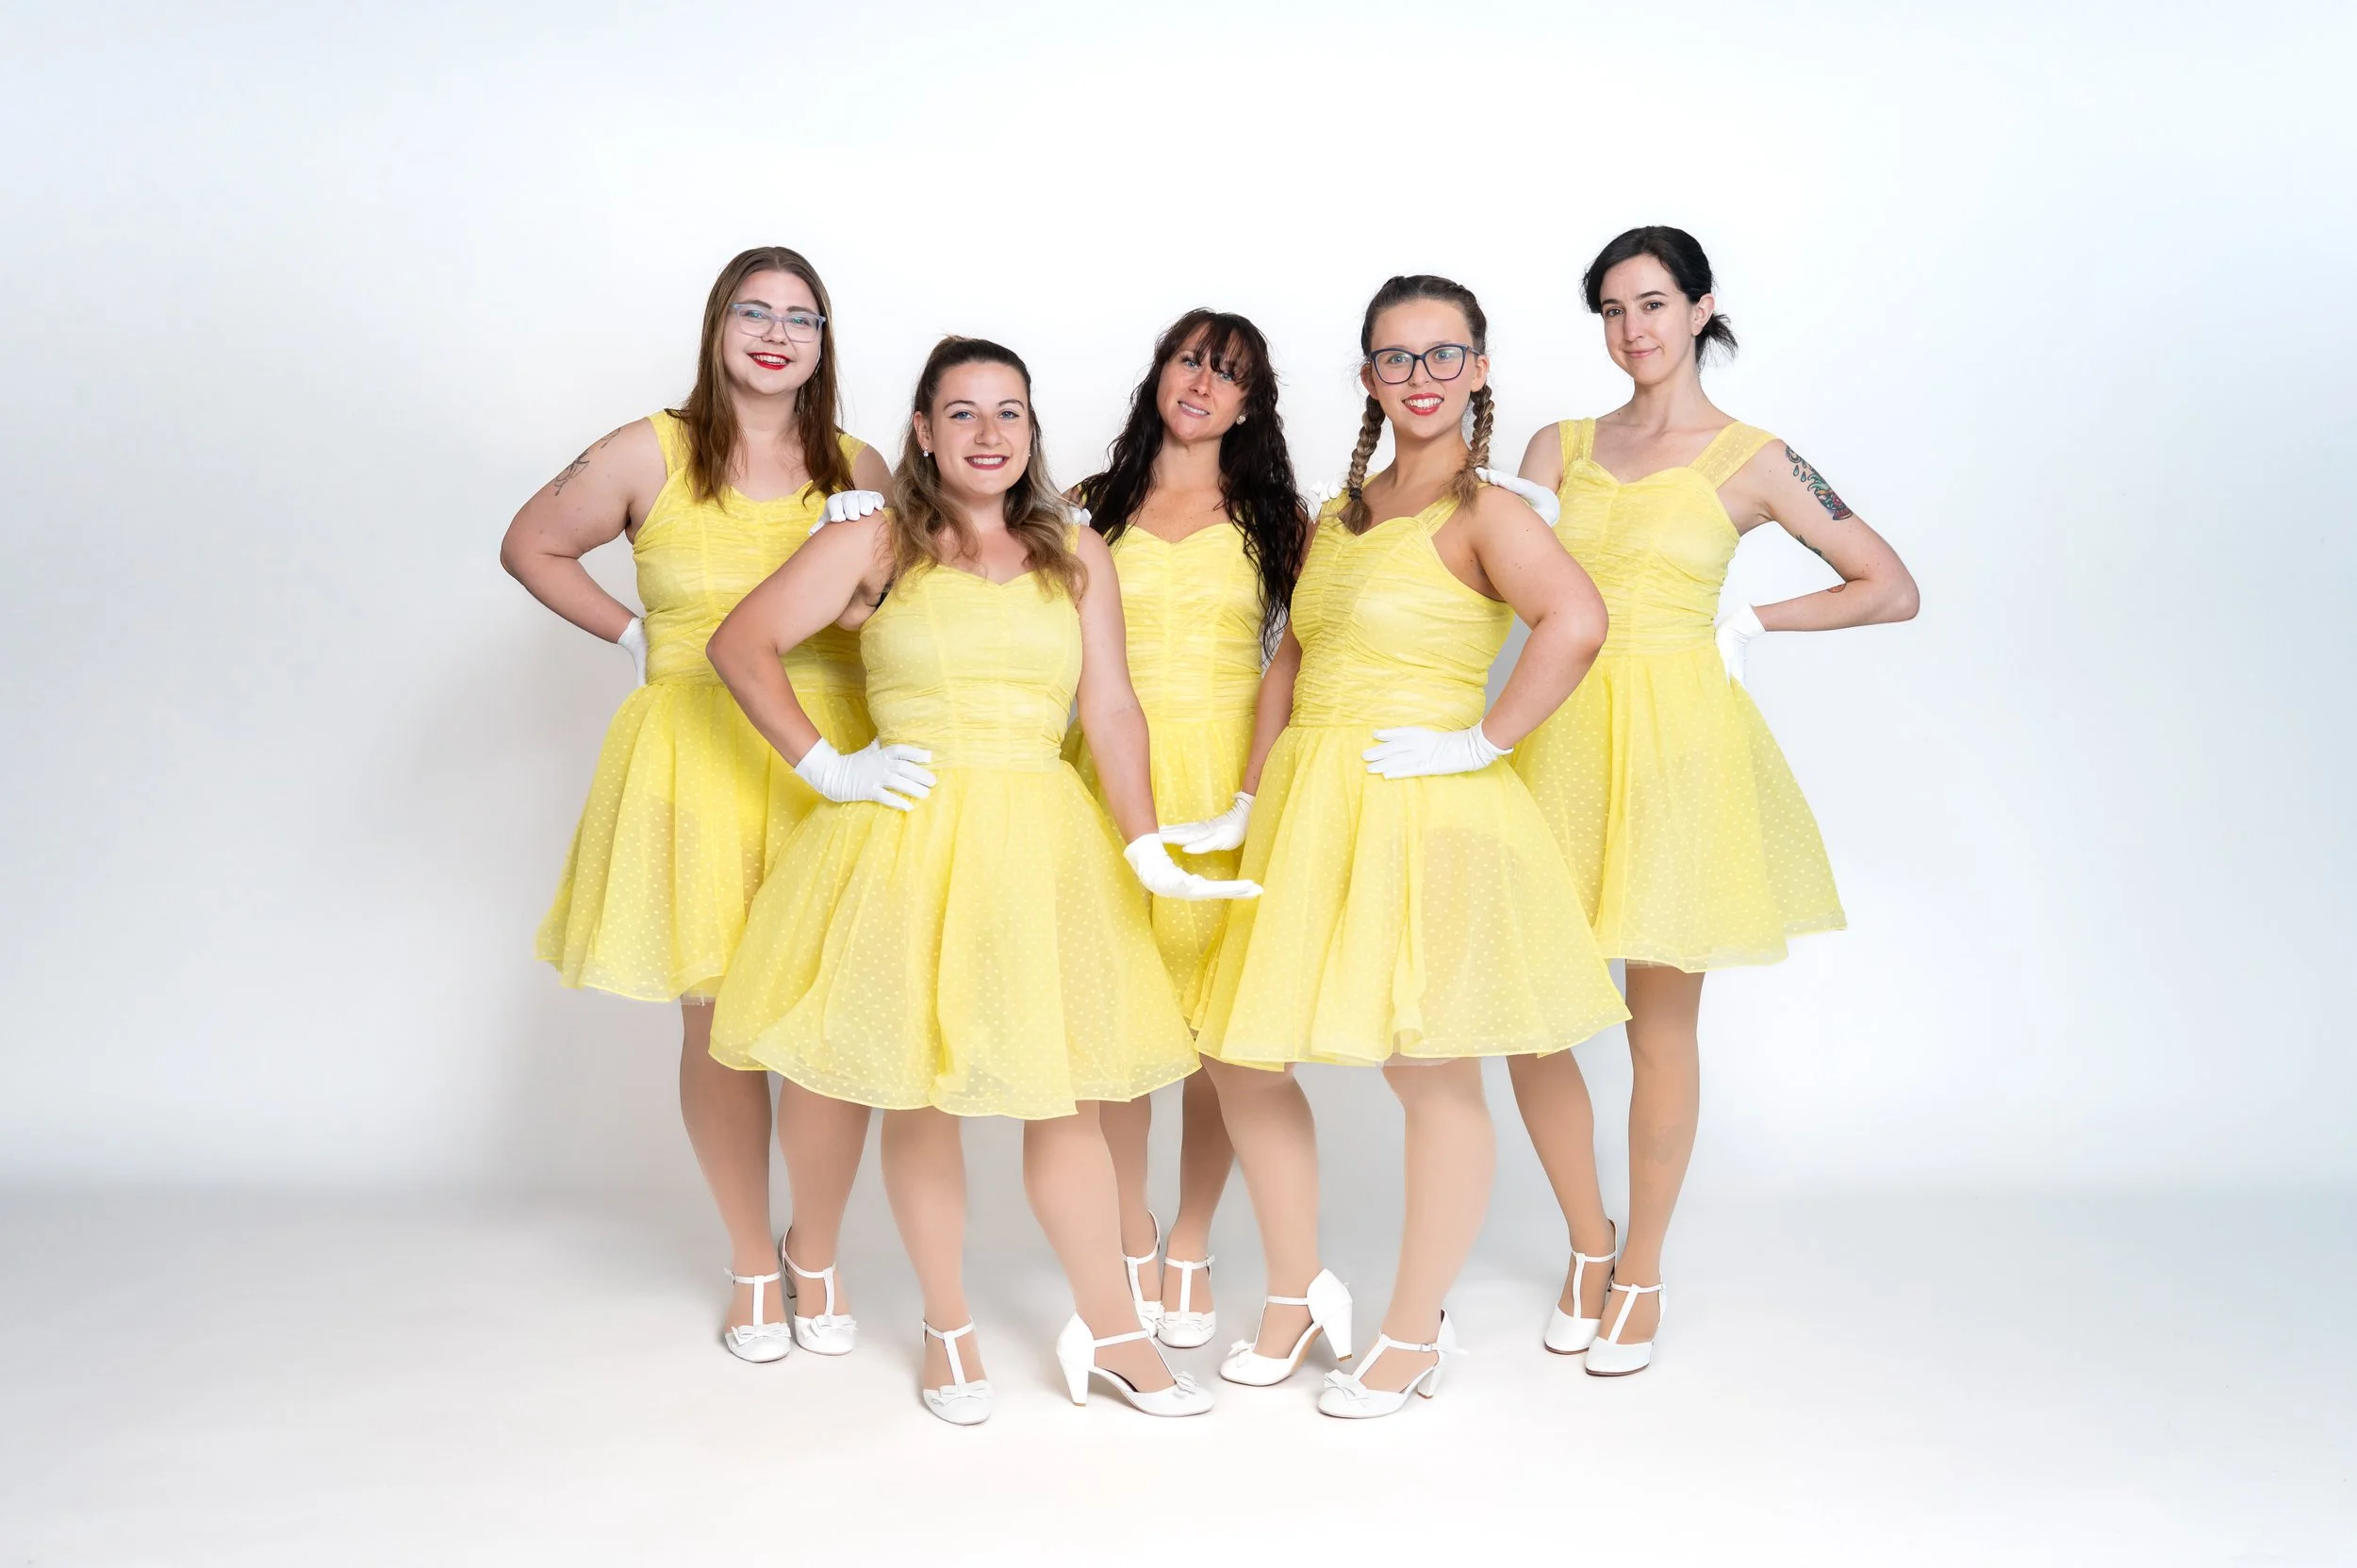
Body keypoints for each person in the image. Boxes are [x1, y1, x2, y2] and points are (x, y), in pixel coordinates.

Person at [706, 336, 1256, 1424]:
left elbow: (1109, 708)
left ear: (1032, 431)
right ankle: (947, 1326)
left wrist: (1145, 843)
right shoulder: (875, 541)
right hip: (910, 840)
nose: (990, 433)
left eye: (1010, 412)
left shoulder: (1077, 552)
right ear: (921, 430)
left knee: (1065, 1104)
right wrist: (829, 764)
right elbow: (741, 643)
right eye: (962, 413)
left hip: (1041, 843)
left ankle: (1116, 1337)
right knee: (924, 1093)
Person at [1170, 275, 1627, 1419]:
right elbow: (1292, 658)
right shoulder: (1345, 510)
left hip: (1421, 805)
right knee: (1241, 1047)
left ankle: (1413, 1330)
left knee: (1425, 1066)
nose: (1419, 376)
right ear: (1368, 375)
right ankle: (1293, 1291)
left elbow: (1577, 621)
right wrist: (1246, 793)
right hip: (1314, 799)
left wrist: (1483, 741)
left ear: (1478, 368)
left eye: (1442, 354)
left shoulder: (1491, 510)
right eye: (1394, 357)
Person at [1505, 225, 1920, 1375]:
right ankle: (1588, 1242)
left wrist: (1752, 621)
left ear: (1699, 308)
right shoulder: (1556, 444)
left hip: (1678, 740)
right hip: (1554, 731)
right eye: (1610, 309)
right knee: (1525, 1003)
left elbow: (1889, 586)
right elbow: (1495, 577)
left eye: (1651, 303)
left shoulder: (1757, 457)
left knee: (1659, 1019)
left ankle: (1640, 1269)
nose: (1631, 328)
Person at [501, 245, 891, 1363]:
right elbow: (531, 542)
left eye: (802, 318)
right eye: (756, 312)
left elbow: (889, 611)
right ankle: (751, 1262)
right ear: (719, 325)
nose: (778, 333)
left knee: (820, 1013)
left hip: (829, 751)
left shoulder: (854, 457)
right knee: (718, 1022)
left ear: (824, 342)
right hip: (696, 758)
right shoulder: (648, 449)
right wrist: (638, 637)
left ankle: (816, 1249)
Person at [1061, 309, 1309, 1347]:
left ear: (1251, 403)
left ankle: (1193, 1239)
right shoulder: (1084, 505)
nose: (1202, 384)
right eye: (1189, 361)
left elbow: (1300, 662)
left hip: (1221, 774)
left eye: (1228, 374)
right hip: (1103, 771)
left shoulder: (1279, 515)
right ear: (1159, 372)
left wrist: (1255, 788)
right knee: (1116, 1014)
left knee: (1219, 1028)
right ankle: (1128, 1229)